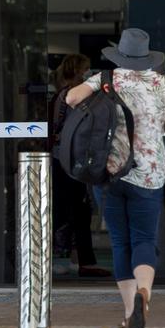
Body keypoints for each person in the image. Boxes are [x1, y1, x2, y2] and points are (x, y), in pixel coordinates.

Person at [66, 28, 165, 328]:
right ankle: (144, 293)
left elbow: (70, 98)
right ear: (147, 57)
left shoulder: (105, 80)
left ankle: (130, 311)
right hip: (149, 173)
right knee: (144, 240)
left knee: (120, 242)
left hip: (108, 172)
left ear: (119, 55)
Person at [49, 54, 111, 278]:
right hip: (69, 161)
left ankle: (80, 259)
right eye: (86, 70)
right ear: (77, 72)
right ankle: (83, 261)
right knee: (76, 210)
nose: (90, 74)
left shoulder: (61, 95)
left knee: (72, 210)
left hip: (62, 159)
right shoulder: (72, 96)